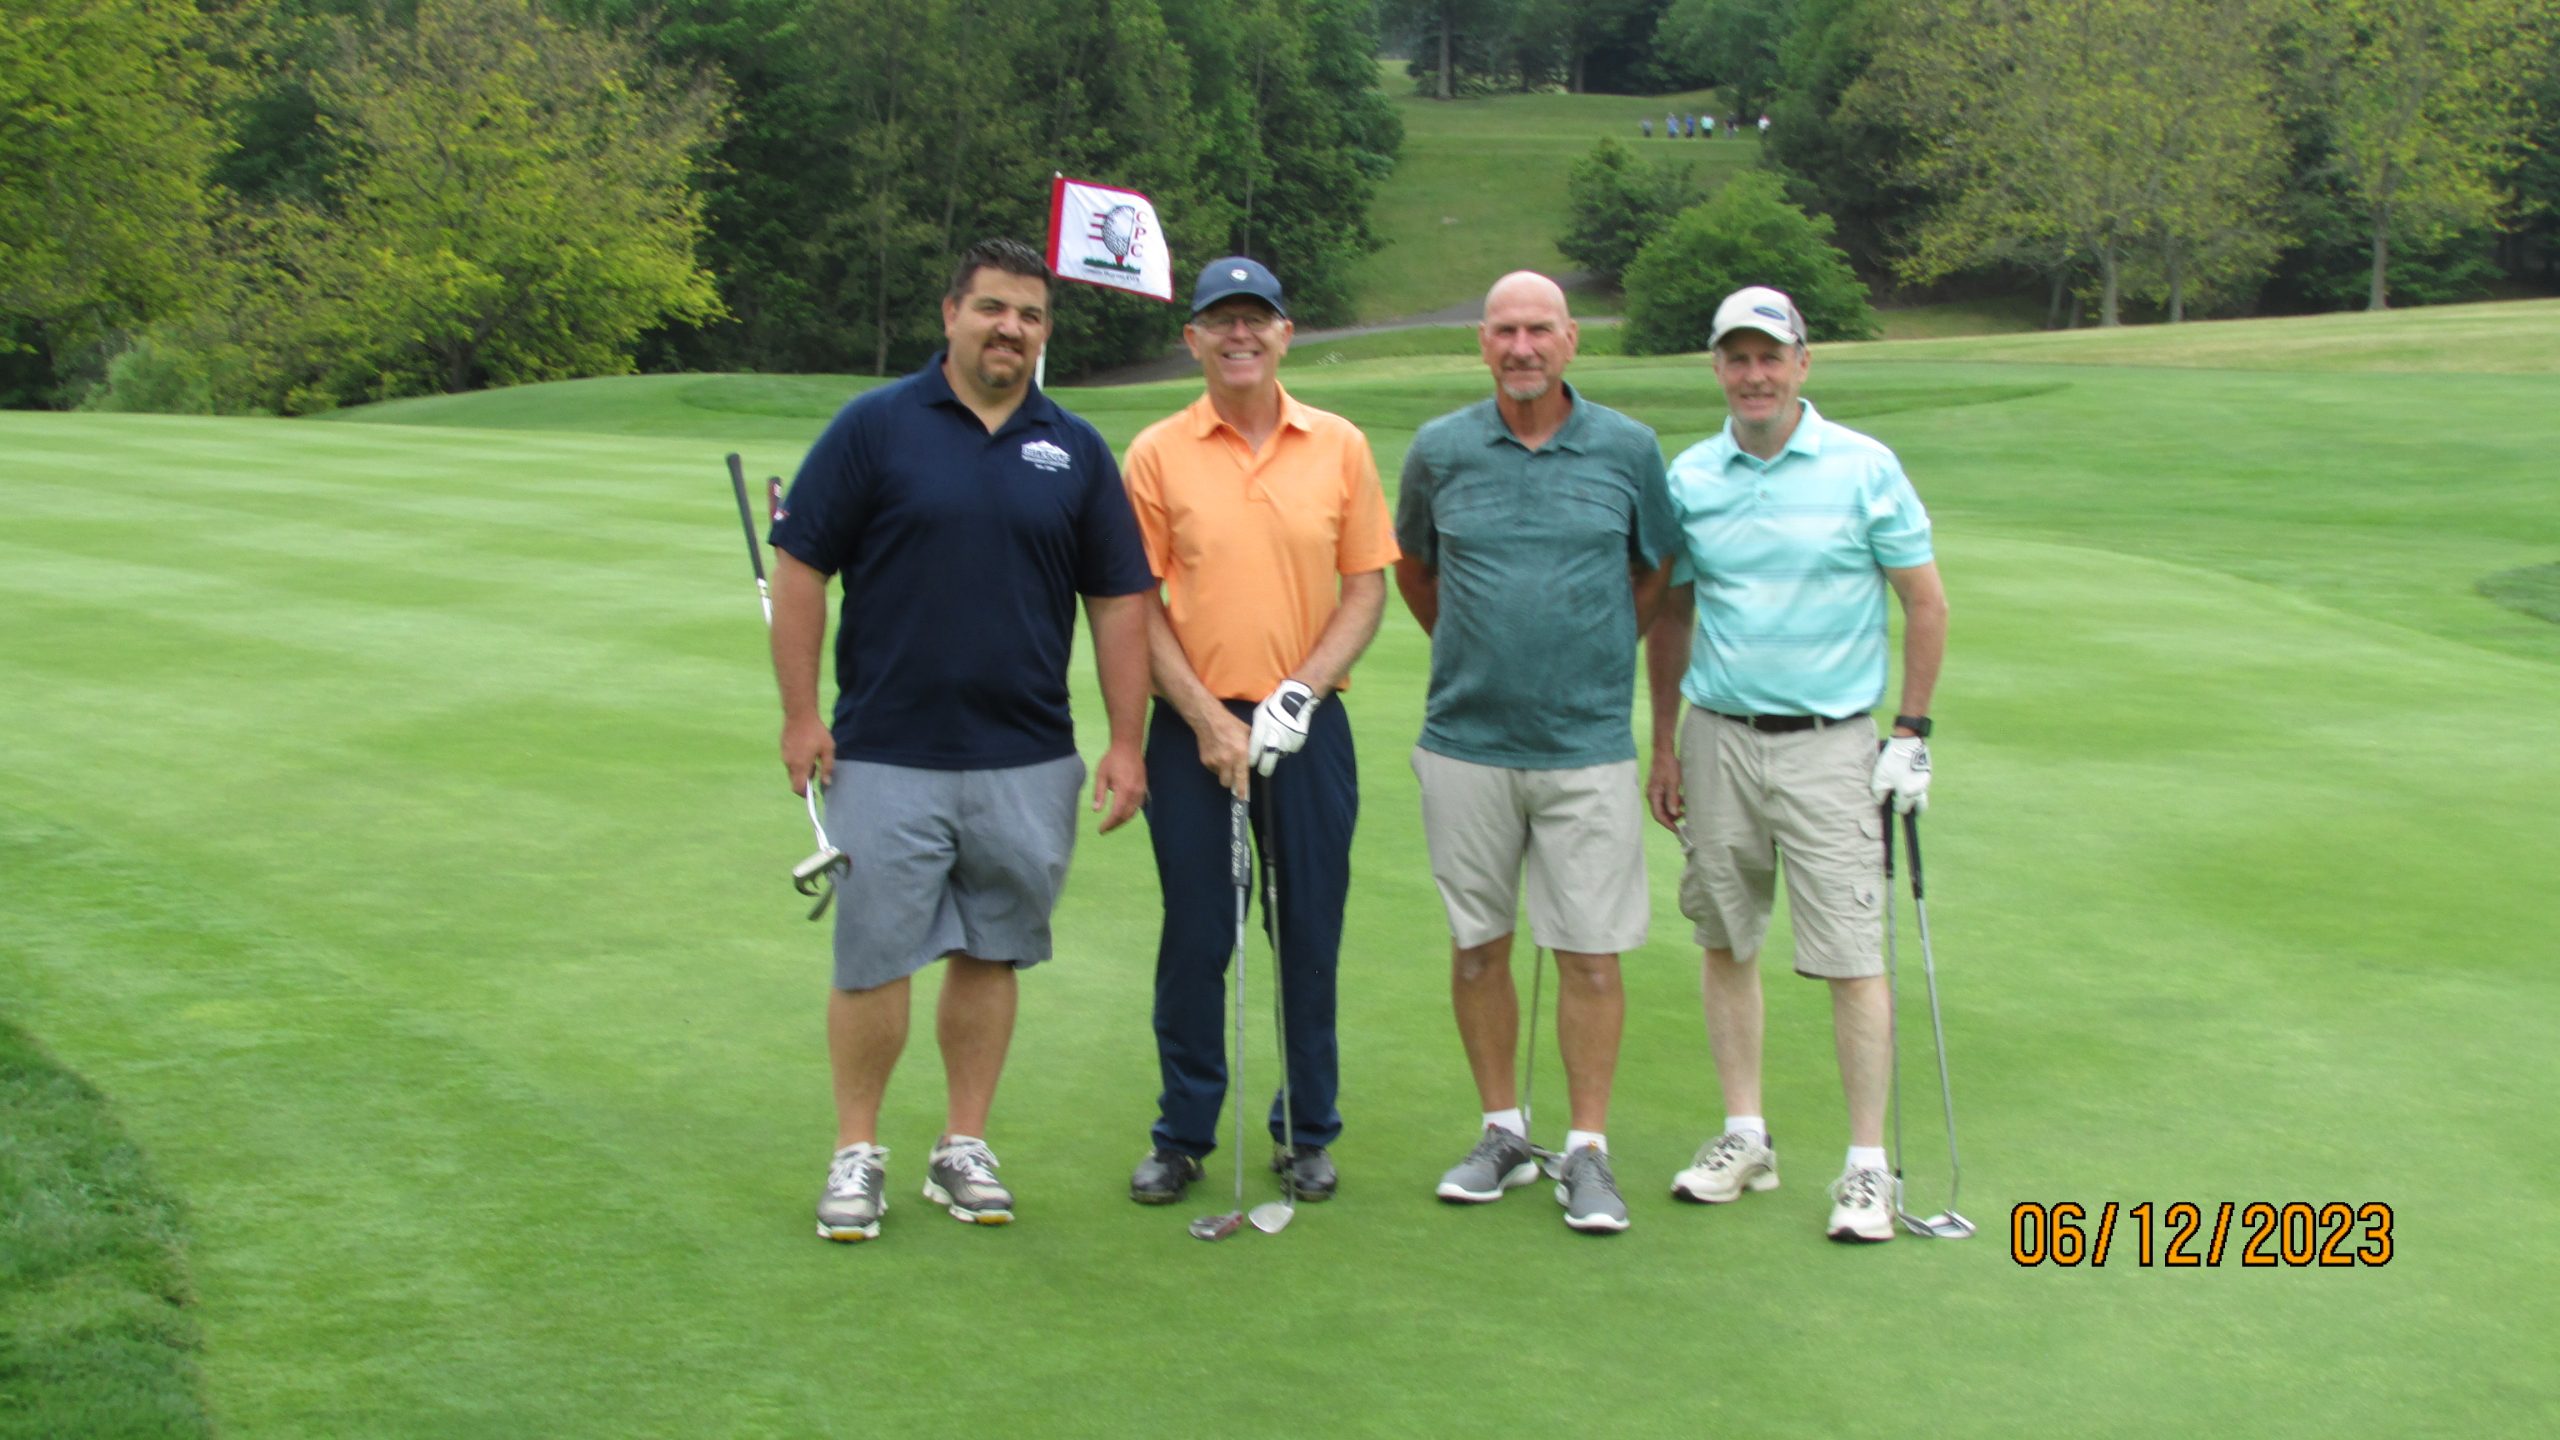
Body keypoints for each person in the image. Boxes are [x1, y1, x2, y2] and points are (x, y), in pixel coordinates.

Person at [768, 237, 1153, 1243]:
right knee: (873, 958)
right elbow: (801, 566)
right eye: (991, 308)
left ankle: (962, 1146)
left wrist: (1127, 741)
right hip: (886, 749)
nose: (1009, 329)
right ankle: (856, 1151)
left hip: (1027, 754)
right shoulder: (875, 426)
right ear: (950, 314)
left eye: (1029, 314)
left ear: (1045, 331)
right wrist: (801, 714)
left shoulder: (1074, 448)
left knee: (993, 951)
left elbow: (1119, 601)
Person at [1641, 285, 1948, 1244]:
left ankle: (1867, 1168)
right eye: (1736, 358)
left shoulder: (1864, 466)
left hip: (1832, 743)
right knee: (1725, 939)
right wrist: (1665, 740)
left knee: (1853, 957)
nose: (1754, 375)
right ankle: (1746, 1136)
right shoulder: (1691, 476)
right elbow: (1675, 612)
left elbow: (1925, 601)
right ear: (1717, 368)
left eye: (1770, 356)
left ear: (1802, 364)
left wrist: (1911, 733)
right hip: (1718, 737)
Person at [1395, 271, 1678, 1234]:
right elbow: (1417, 572)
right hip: (1465, 744)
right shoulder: (1440, 450)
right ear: (1483, 341)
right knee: (1479, 948)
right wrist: (1481, 650)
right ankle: (1503, 1133)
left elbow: (1655, 570)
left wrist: (1594, 649)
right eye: (1506, 331)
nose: (1523, 347)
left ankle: (1587, 1150)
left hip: (1585, 744)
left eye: (1540, 330)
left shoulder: (1628, 448)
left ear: (1571, 339)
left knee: (1590, 956)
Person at [1119, 257, 1398, 1207]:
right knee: (1198, 935)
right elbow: (1137, 603)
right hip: (1192, 733)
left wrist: (1298, 696)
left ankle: (1307, 1130)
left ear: (1285, 334)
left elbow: (1365, 589)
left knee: (1308, 931)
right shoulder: (1157, 452)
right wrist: (1207, 719)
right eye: (1220, 320)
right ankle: (1183, 1133)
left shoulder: (1339, 444)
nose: (1240, 334)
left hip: (1308, 727)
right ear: (1193, 339)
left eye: (1257, 318)